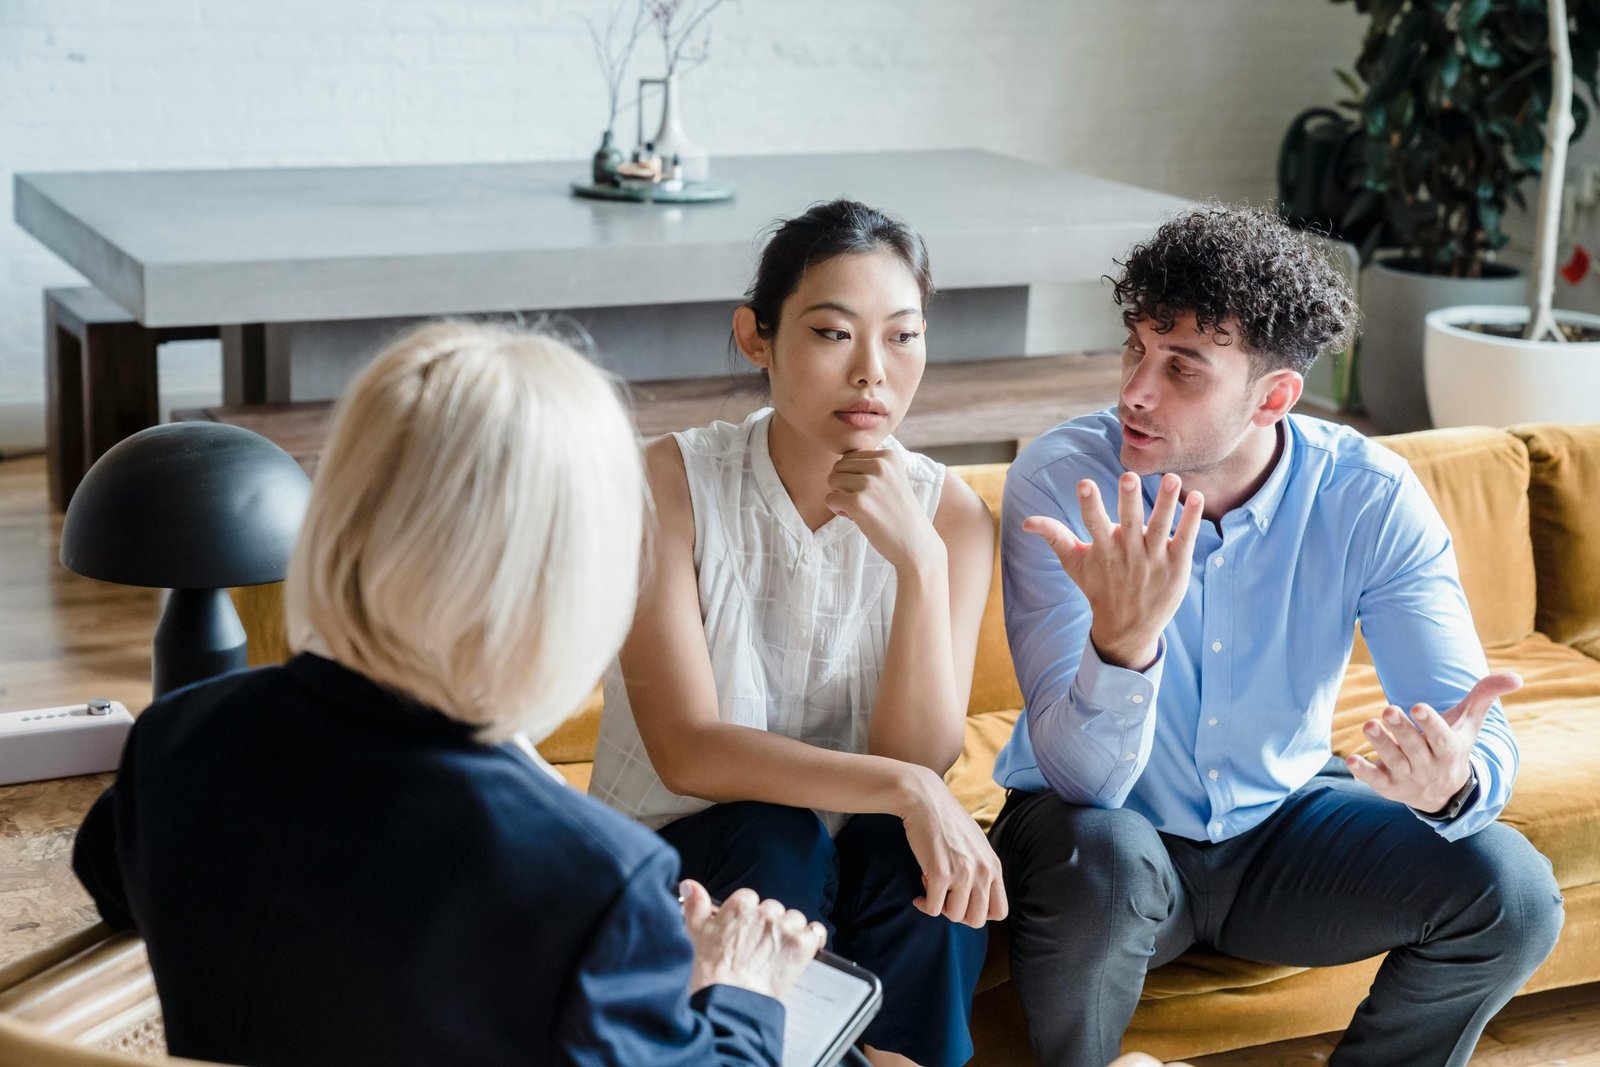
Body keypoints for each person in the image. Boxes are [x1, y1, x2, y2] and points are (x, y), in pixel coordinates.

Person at [72, 322, 825, 1067]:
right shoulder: (595, 882)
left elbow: (116, 877)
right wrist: (741, 988)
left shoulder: (177, 743)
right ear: (569, 581)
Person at [989, 206, 1565, 1067]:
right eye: (1135, 347)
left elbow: (1468, 725)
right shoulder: (1067, 480)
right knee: (1102, 865)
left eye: (1182, 367)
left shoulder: (1366, 496)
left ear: (1276, 396)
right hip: (1101, 834)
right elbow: (1080, 779)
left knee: (1513, 893)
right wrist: (1125, 645)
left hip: (1281, 825)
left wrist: (1451, 782)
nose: (1135, 390)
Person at [588, 199, 1005, 1067]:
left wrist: (920, 565)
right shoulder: (667, 483)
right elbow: (687, 751)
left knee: (914, 854)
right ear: (756, 337)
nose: (872, 374)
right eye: (831, 333)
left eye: (902, 336)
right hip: (692, 864)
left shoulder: (953, 518)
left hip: (855, 865)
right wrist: (908, 787)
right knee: (781, 827)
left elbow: (917, 755)